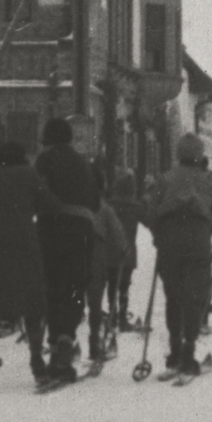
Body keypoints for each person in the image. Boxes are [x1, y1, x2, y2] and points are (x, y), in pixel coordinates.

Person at [0, 143, 62, 387]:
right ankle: (37, 364)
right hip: (25, 241)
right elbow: (50, 204)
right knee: (32, 301)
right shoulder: (29, 174)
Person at [142, 134, 212, 381]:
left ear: (178, 153)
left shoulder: (165, 178)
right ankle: (189, 353)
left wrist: (159, 235)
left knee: (173, 296)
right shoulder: (209, 181)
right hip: (198, 238)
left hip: (170, 238)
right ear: (199, 154)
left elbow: (151, 211)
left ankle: (175, 352)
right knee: (195, 296)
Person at [34, 118, 99, 386]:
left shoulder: (44, 160)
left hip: (51, 226)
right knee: (74, 283)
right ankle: (65, 340)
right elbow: (95, 201)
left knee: (52, 283)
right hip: (81, 227)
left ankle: (55, 341)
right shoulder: (84, 163)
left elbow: (37, 191)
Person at [87, 193, 130, 362]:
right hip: (96, 253)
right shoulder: (104, 207)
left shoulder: (72, 201)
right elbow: (117, 232)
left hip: (73, 251)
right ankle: (94, 343)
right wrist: (124, 248)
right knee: (95, 300)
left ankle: (63, 345)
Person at [106, 172, 143, 331]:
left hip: (110, 251)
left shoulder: (108, 205)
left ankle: (112, 315)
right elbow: (149, 219)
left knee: (112, 284)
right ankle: (122, 316)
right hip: (128, 252)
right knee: (124, 285)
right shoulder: (136, 207)